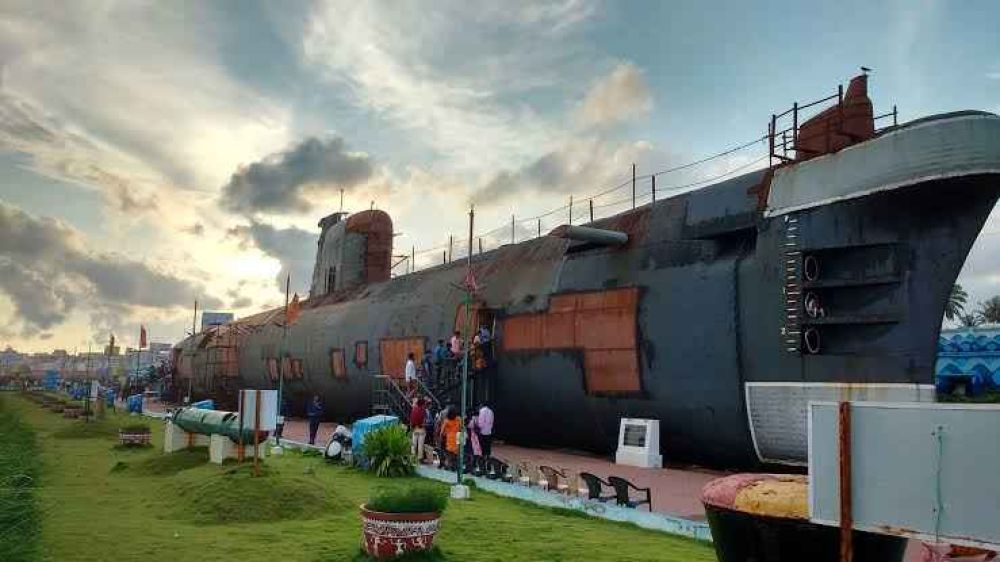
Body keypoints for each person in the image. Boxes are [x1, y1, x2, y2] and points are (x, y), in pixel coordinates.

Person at [409, 398, 427, 463]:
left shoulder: (414, 409)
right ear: (422, 404)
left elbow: (411, 420)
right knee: (420, 444)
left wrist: (411, 428)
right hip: (421, 428)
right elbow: (424, 420)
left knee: (413, 444)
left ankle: (412, 457)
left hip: (414, 428)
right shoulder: (423, 410)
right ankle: (419, 458)